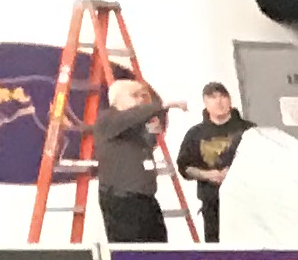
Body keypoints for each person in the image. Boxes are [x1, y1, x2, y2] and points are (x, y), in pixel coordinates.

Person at [89, 69, 169, 244]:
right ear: (119, 99)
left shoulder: (134, 124)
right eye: (134, 95)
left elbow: (144, 147)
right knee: (131, 249)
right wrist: (161, 106)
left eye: (143, 95)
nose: (140, 100)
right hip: (121, 197)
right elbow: (133, 116)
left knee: (158, 244)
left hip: (145, 196)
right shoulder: (108, 119)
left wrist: (151, 131)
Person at [174, 83, 246, 240]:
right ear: (205, 102)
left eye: (223, 96)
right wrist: (208, 175)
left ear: (230, 100)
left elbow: (264, 162)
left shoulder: (248, 130)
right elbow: (185, 166)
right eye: (213, 97)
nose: (219, 102)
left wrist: (234, 173)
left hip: (245, 202)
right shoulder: (195, 134)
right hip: (212, 201)